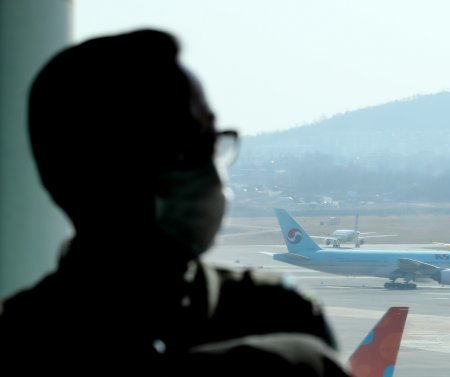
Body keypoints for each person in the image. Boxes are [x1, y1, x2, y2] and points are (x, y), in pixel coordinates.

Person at [0, 29, 350, 375]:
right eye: (181, 148)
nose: (209, 167)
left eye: (211, 141)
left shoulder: (283, 310)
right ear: (87, 172)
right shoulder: (289, 341)